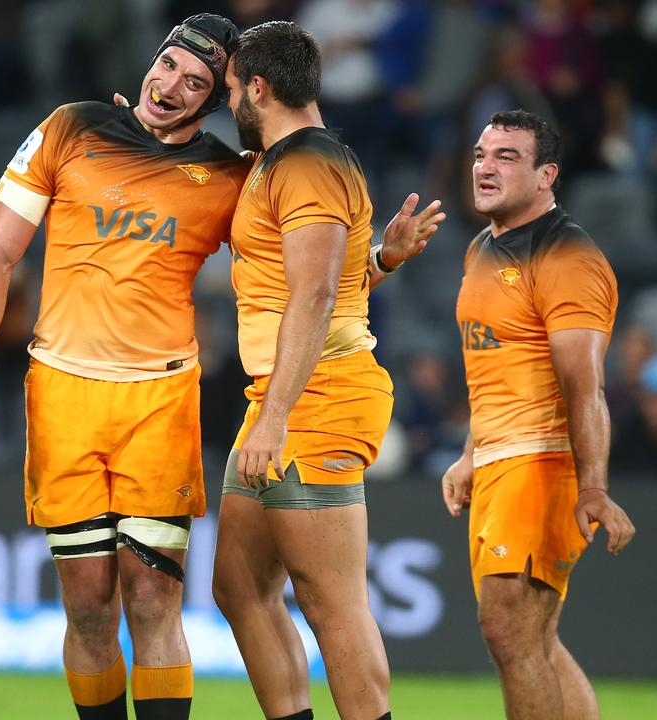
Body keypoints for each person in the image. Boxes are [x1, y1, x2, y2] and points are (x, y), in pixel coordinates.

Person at [0, 16, 248, 720]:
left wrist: (379, 259)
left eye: (194, 82)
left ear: (212, 101)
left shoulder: (230, 177)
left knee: (155, 599)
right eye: (168, 65)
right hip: (63, 395)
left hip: (160, 402)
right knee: (86, 608)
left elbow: (301, 271)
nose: (170, 86)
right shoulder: (70, 128)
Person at [210, 21, 442, 720]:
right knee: (239, 588)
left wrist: (275, 417)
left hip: (316, 398)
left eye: (229, 91)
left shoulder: (306, 164)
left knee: (332, 603)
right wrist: (384, 262)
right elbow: (327, 290)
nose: (227, 105)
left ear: (259, 87)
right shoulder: (289, 162)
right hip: (285, 395)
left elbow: (313, 297)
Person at [442, 109, 635, 720]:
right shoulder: (480, 249)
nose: (485, 168)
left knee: (509, 630)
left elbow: (586, 387)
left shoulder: (568, 257)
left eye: (506, 157)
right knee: (533, 638)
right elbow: (493, 364)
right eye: (480, 155)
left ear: (547, 174)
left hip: (542, 461)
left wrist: (595, 487)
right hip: (500, 461)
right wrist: (472, 454)